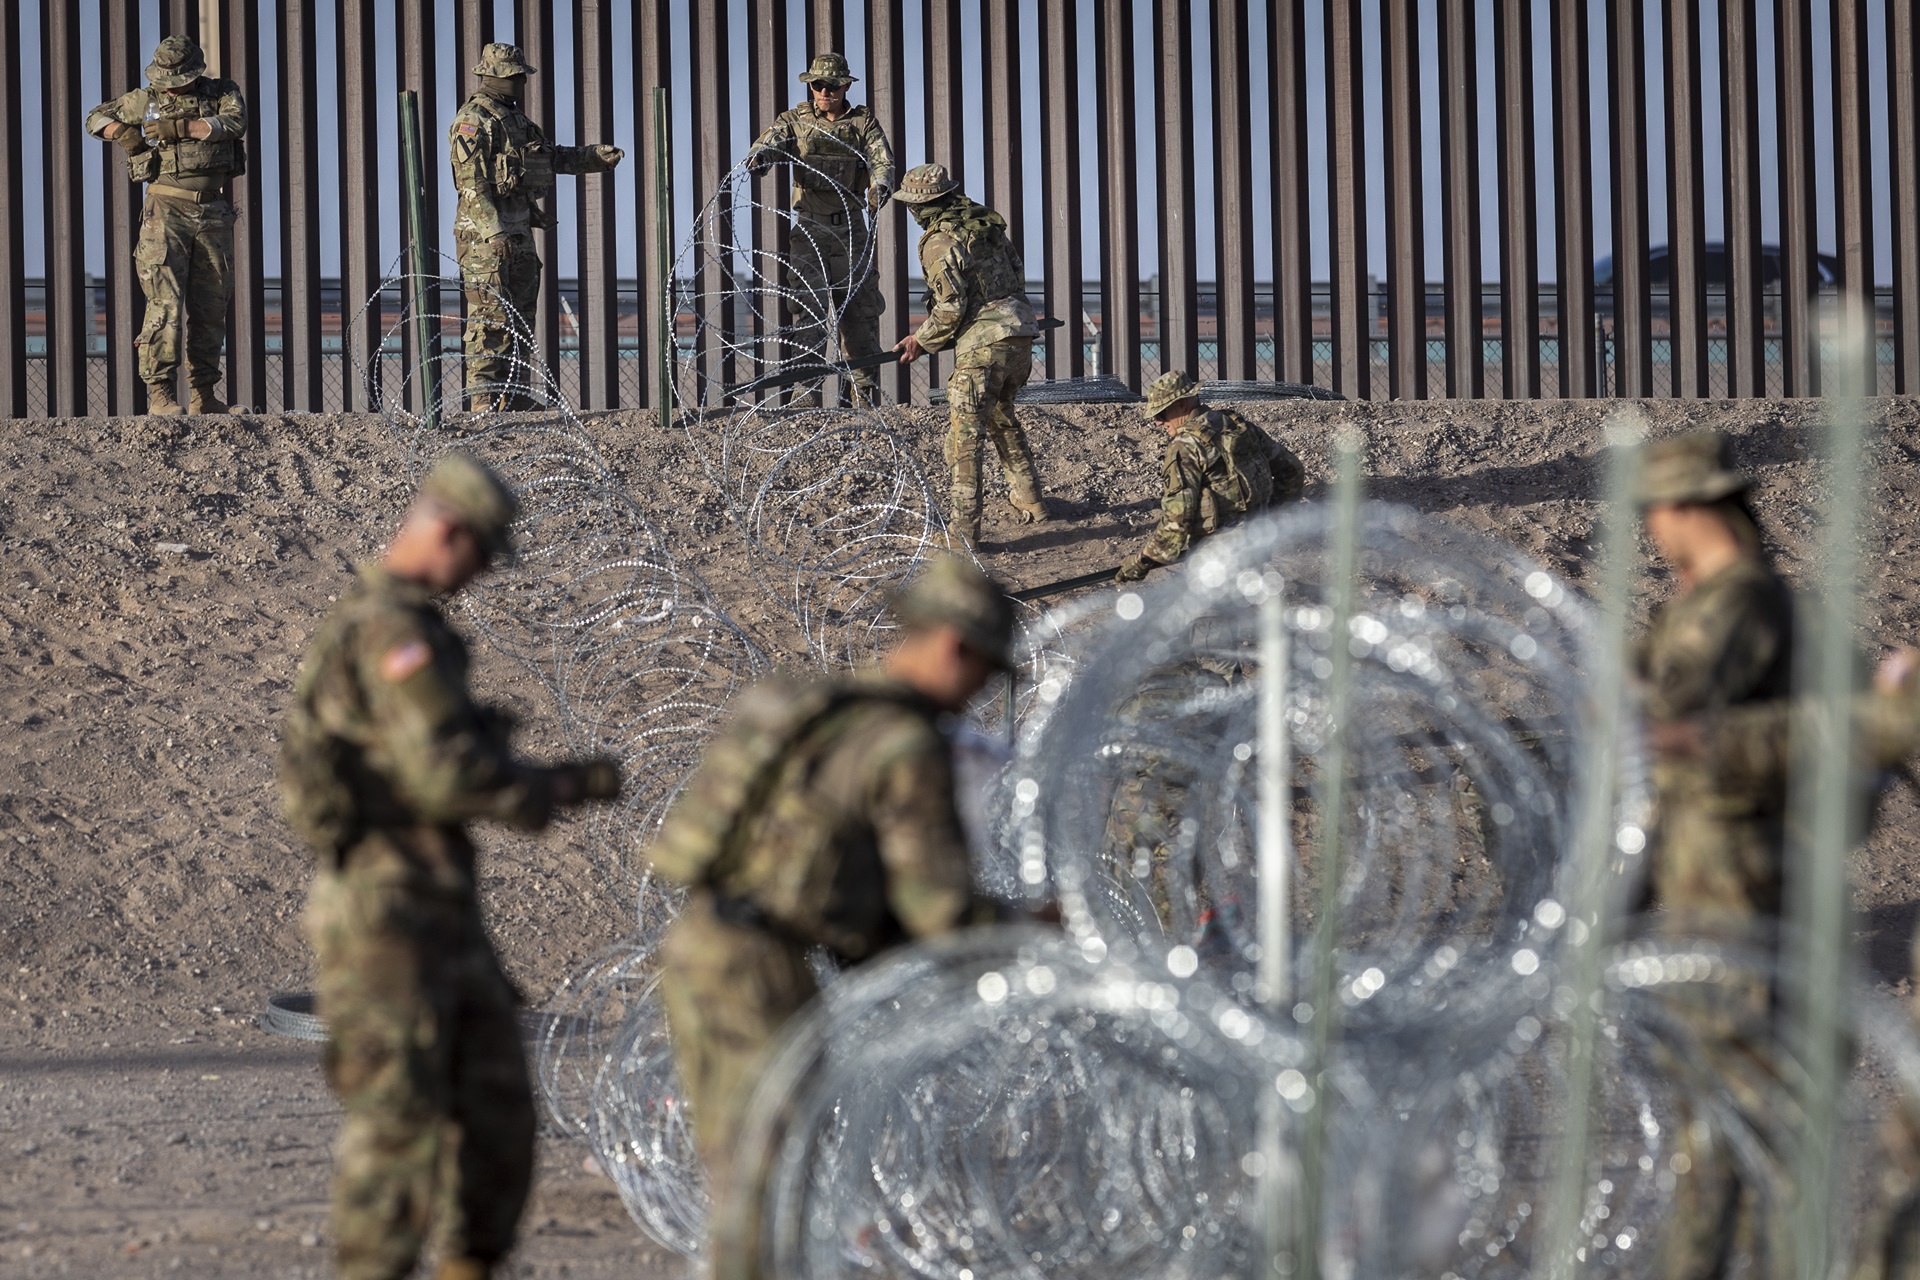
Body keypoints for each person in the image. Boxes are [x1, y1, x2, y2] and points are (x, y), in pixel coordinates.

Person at [278, 452, 623, 1280]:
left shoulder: (408, 623)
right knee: (399, 1124)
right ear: (446, 531)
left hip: (435, 902)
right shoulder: (391, 629)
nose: (475, 577)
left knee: (497, 1106)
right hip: (385, 909)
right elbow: (444, 774)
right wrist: (552, 786)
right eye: (478, 555)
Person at [650, 555, 1018, 1274]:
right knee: (772, 1175)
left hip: (699, 943)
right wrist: (1030, 930)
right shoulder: (905, 746)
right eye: (985, 672)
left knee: (740, 1168)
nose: (979, 694)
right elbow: (938, 911)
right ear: (953, 645)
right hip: (761, 963)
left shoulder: (809, 705)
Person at [1632, 429, 1797, 936]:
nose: (1651, 529)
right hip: (1701, 839)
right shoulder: (1713, 596)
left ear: (1681, 505)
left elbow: (1672, 708)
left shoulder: (1736, 602)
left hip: (1731, 855)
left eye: (1652, 512)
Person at [449, 44, 624, 411]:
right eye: (512, 76)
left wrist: (594, 157)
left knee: (521, 317)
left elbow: (551, 155)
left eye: (520, 76)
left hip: (520, 231)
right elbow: (470, 183)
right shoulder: (472, 120)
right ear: (492, 76)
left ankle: (513, 396)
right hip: (485, 238)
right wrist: (494, 232)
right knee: (490, 318)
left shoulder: (517, 121)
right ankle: (483, 400)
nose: (519, 82)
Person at [85, 36, 247, 416]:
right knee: (164, 305)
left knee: (210, 308)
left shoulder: (222, 92)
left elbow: (234, 122)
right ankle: (161, 395)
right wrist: (123, 135)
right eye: (167, 79)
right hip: (165, 213)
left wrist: (184, 128)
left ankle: (204, 396)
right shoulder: (147, 99)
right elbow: (95, 118)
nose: (172, 86)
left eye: (180, 79)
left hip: (213, 213)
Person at [892, 163, 1049, 546]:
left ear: (921, 206)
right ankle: (1033, 502)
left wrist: (920, 340)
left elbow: (949, 308)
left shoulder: (938, 241)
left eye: (913, 206)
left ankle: (965, 537)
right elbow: (1014, 274)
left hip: (984, 348)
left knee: (965, 440)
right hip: (1020, 334)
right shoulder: (985, 224)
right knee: (1001, 418)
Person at [745, 52, 896, 408]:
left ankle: (861, 392)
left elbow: (882, 162)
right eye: (817, 85)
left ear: (845, 86)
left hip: (850, 231)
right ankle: (805, 392)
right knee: (807, 310)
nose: (824, 91)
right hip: (809, 230)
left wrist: (880, 188)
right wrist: (760, 158)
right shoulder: (795, 121)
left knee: (859, 312)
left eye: (832, 86)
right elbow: (770, 143)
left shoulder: (863, 124)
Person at [1114, 371, 1306, 583]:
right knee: (1252, 606)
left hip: (1216, 560)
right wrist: (1270, 517)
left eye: (1161, 414)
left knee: (1212, 614)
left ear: (1182, 405)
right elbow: (1293, 470)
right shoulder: (1237, 426)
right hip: (1255, 544)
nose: (1158, 423)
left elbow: (1177, 520)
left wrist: (1143, 561)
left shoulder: (1185, 447)